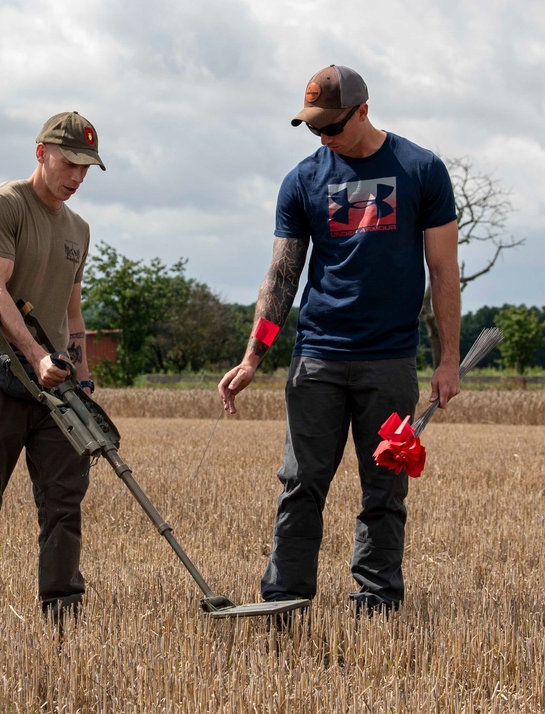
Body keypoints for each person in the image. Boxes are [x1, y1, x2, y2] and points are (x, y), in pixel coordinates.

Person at [218, 65, 461, 616]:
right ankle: (285, 599)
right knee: (300, 484)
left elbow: (444, 272)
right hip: (317, 359)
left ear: (363, 111)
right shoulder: (301, 180)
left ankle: (376, 602)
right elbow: (283, 277)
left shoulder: (422, 170)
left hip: (390, 362)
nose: (321, 137)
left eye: (330, 126)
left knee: (385, 490)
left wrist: (448, 361)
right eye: (312, 127)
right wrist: (254, 356)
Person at [0, 111, 104, 623]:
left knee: (64, 503)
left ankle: (62, 616)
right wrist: (36, 357)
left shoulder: (78, 229)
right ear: (41, 152)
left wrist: (80, 377)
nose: (78, 177)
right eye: (71, 163)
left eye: (87, 168)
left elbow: (72, 311)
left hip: (55, 387)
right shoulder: (3, 206)